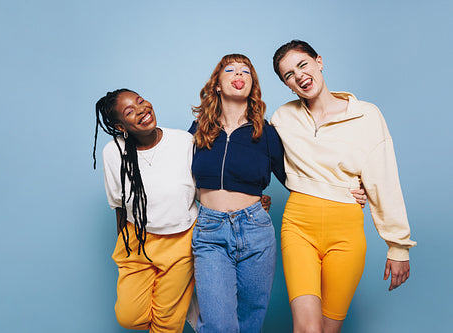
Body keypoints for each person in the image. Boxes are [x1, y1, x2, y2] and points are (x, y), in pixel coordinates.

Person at [189, 53, 366, 333]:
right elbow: (181, 181)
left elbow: (299, 177)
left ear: (253, 85)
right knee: (219, 325)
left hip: (256, 230)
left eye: (246, 72)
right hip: (210, 231)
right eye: (231, 70)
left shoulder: (267, 133)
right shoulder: (200, 130)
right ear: (218, 85)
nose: (239, 75)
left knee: (250, 322)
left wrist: (347, 188)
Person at [270, 40, 417, 333]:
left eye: (303, 65)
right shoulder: (282, 117)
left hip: (346, 233)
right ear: (287, 85)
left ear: (319, 62)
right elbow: (262, 159)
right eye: (289, 74)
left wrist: (398, 246)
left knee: (328, 330)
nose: (299, 76)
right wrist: (250, 198)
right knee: (308, 329)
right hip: (298, 226)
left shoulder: (366, 115)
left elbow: (383, 179)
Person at [93, 89, 197, 333]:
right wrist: (124, 242)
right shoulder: (113, 152)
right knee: (129, 317)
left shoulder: (183, 141)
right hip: (137, 240)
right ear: (121, 127)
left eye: (140, 101)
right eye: (130, 111)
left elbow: (204, 187)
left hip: (180, 241)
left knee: (166, 323)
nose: (141, 110)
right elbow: (118, 204)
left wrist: (248, 199)